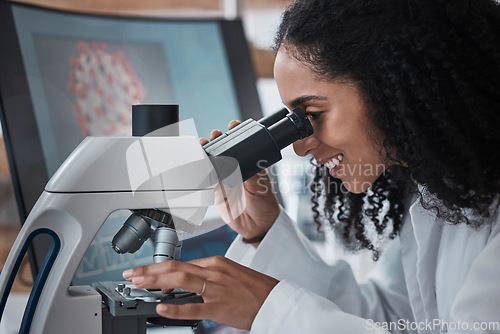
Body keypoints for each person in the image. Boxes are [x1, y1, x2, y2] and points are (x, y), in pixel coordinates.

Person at [122, 0, 500, 332]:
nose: (300, 147)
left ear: (397, 86)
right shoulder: (443, 192)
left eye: (313, 114)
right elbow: (397, 318)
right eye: (294, 120)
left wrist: (269, 309)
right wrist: (263, 231)